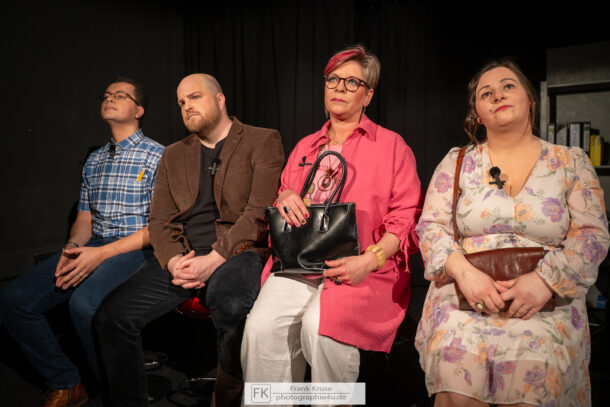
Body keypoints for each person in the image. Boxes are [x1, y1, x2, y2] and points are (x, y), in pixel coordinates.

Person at [414, 59, 610, 407]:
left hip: (545, 303)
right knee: (456, 387)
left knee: (531, 385)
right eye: (486, 93)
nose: (497, 95)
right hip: (465, 298)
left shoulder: (570, 162)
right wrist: (466, 275)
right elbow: (431, 227)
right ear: (478, 114)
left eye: (508, 86)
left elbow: (591, 237)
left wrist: (545, 281)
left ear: (530, 99)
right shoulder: (456, 162)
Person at [94, 73, 284, 407]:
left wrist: (213, 260)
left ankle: (228, 396)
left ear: (220, 99)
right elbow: (159, 220)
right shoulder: (173, 154)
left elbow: (258, 213)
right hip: (183, 257)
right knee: (112, 316)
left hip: (237, 252)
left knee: (232, 305)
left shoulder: (262, 139)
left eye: (195, 97)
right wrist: (173, 262)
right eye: (181, 102)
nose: (186, 106)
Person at [241, 45, 422, 390]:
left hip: (363, 266)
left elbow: (406, 218)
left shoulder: (391, 146)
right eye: (333, 79)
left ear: (368, 95)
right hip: (300, 261)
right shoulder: (306, 146)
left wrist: (370, 260)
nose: (339, 88)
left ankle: (335, 399)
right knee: (260, 329)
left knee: (320, 330)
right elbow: (284, 195)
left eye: (352, 82)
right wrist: (285, 196)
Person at [0, 77, 164, 407]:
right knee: (14, 298)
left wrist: (99, 255)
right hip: (96, 244)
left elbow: (159, 229)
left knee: (85, 304)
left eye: (121, 95)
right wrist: (72, 248)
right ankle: (67, 381)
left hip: (138, 248)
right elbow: (85, 222)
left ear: (139, 110)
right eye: (107, 95)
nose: (110, 98)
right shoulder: (95, 160)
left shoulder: (158, 156)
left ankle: (117, 391)